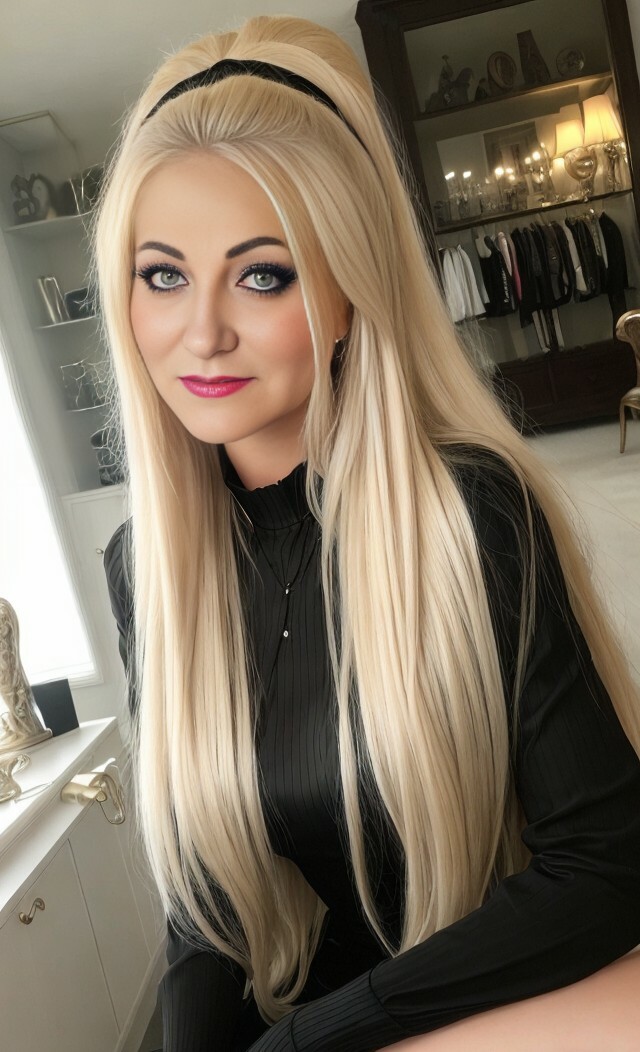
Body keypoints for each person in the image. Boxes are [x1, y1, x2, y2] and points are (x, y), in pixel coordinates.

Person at [97, 15, 640, 1052]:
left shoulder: (469, 513)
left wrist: (322, 1036)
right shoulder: (147, 569)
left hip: (473, 1013)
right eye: (162, 275)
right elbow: (204, 911)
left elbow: (607, 864)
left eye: (263, 274)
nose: (201, 332)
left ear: (349, 290)